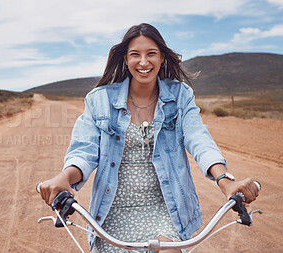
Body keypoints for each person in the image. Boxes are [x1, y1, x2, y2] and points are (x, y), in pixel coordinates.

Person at [38, 23, 259, 252]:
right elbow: (84, 152)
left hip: (165, 209)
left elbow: (199, 139)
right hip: (113, 211)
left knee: (168, 250)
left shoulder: (180, 96)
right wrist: (64, 178)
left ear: (162, 57)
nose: (143, 62)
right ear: (125, 59)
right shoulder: (99, 100)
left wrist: (225, 181)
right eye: (135, 55)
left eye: (151, 53)